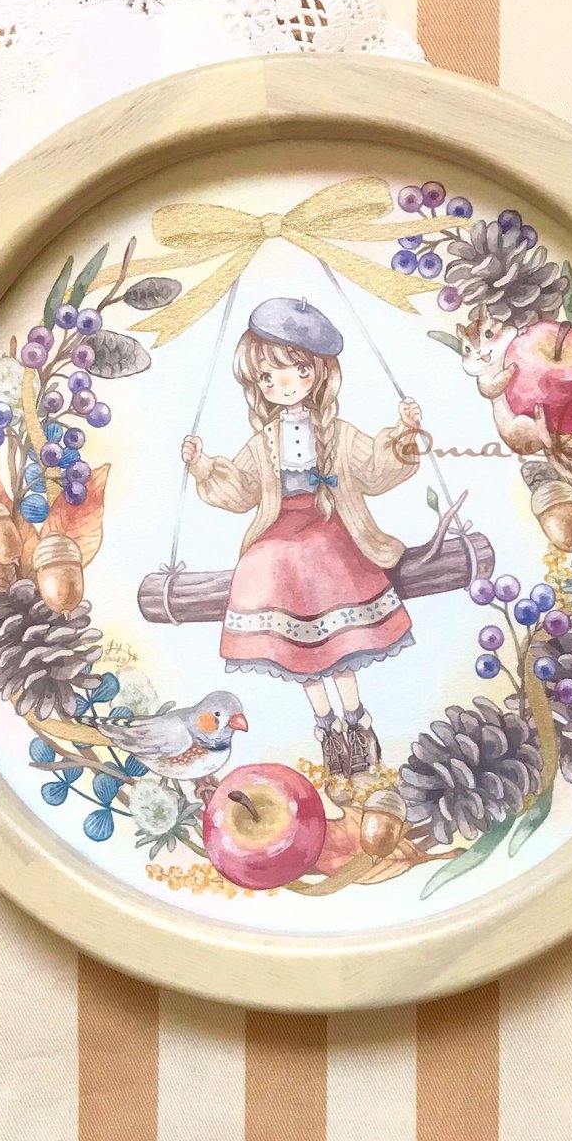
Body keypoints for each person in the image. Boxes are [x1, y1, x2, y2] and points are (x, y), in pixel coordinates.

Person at [182, 296, 421, 780]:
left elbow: (375, 471)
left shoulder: (338, 433)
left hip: (329, 525)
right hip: (279, 532)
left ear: (317, 373)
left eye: (294, 370)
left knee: (333, 628)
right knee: (267, 567)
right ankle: (326, 727)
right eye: (267, 377)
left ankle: (357, 720)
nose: (281, 383)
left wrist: (404, 434)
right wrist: (203, 466)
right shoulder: (264, 441)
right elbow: (241, 489)